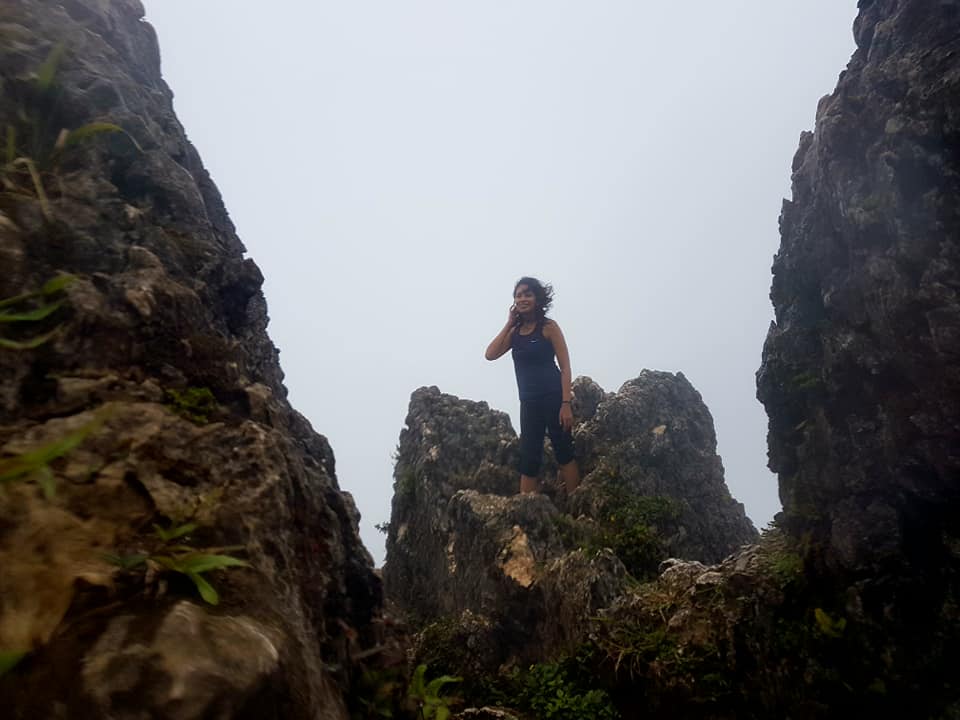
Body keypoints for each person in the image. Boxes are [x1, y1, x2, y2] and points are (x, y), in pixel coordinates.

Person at [485, 276, 581, 495]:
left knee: (563, 450)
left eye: (527, 294)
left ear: (537, 298)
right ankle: (525, 510)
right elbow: (490, 354)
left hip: (553, 397)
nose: (523, 298)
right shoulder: (514, 334)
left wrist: (565, 403)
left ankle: (577, 502)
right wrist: (509, 322)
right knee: (529, 458)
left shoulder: (548, 327)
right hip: (528, 402)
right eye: (518, 295)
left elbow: (565, 367)